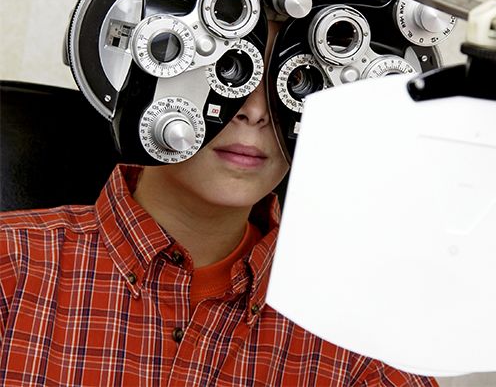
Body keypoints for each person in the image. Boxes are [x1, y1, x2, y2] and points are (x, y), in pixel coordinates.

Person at [0, 20, 438, 386]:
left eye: (296, 82)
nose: (256, 111)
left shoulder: (364, 344)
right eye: (230, 68)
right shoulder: (11, 270)